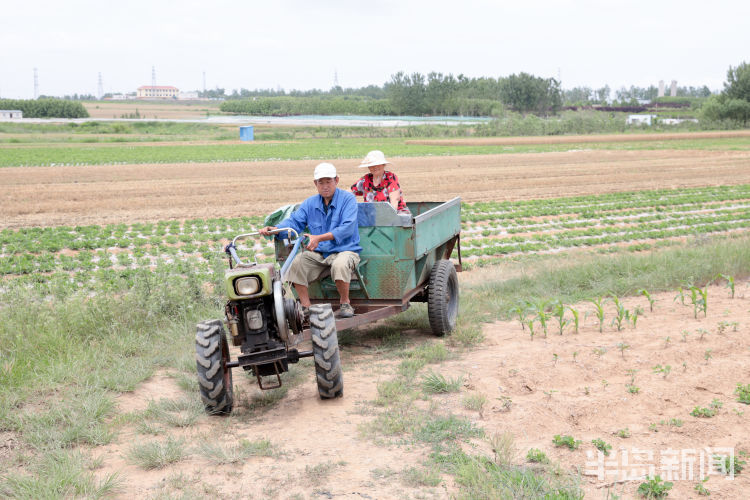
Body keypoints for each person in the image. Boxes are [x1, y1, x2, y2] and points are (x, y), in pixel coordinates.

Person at [259, 162, 361, 318]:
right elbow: (294, 222)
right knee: (297, 263)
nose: (325, 186)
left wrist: (319, 238)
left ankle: (345, 303)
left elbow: (347, 228)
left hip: (345, 250)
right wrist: (275, 229)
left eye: (329, 181)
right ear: (316, 184)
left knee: (340, 264)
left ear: (337, 180)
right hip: (320, 253)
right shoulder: (310, 203)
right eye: (321, 182)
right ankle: (306, 306)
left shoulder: (348, 199)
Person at [351, 150, 410, 214]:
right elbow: (348, 193)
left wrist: (390, 219)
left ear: (383, 165)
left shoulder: (390, 178)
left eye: (377, 164)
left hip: (396, 213)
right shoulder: (365, 179)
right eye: (371, 165)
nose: (374, 167)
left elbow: (394, 201)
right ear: (368, 167)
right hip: (374, 216)